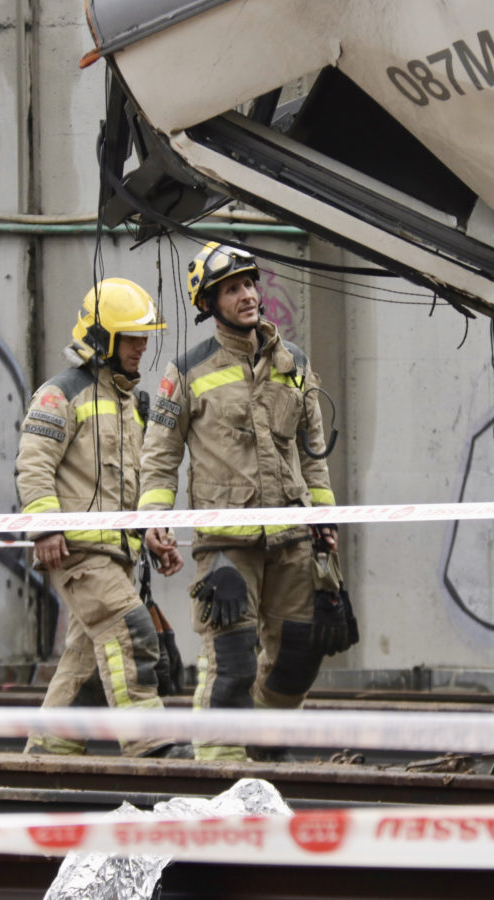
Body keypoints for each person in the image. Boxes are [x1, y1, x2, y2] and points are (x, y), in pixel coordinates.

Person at [139, 242, 355, 762]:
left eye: (250, 284)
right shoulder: (187, 371)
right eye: (232, 289)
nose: (248, 295)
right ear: (209, 304)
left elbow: (312, 453)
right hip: (226, 544)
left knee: (300, 653)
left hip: (292, 537)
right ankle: (218, 766)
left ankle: (263, 747)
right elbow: (160, 454)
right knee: (231, 660)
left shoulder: (293, 363)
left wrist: (324, 520)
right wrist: (153, 519)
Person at [15, 277, 190, 758]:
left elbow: (129, 484)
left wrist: (149, 534)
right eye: (131, 337)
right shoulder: (60, 395)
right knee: (130, 629)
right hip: (79, 552)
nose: (141, 347)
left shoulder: (130, 403)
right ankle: (150, 745)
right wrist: (46, 528)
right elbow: (34, 464)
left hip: (115, 555)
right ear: (102, 338)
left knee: (88, 663)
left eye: (144, 337)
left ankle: (47, 758)